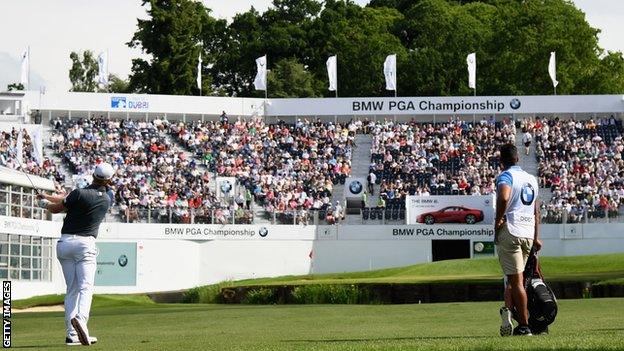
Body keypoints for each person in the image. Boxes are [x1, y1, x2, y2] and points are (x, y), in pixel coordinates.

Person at [38, 163, 114, 346]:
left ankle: (72, 335)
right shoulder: (108, 198)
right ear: (109, 180)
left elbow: (59, 206)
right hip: (85, 244)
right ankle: (81, 320)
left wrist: (44, 202)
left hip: (65, 244)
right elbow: (67, 200)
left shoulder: (79, 193)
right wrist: (49, 197)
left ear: (93, 175)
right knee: (85, 288)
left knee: (72, 289)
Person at [495, 144, 541, 336]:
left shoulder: (505, 176)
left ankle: (524, 325)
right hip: (528, 232)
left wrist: (498, 219)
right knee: (515, 279)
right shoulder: (532, 179)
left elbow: (504, 197)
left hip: (512, 230)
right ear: (518, 159)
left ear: (501, 162)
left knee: (515, 281)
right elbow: (536, 212)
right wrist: (536, 238)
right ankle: (508, 312)